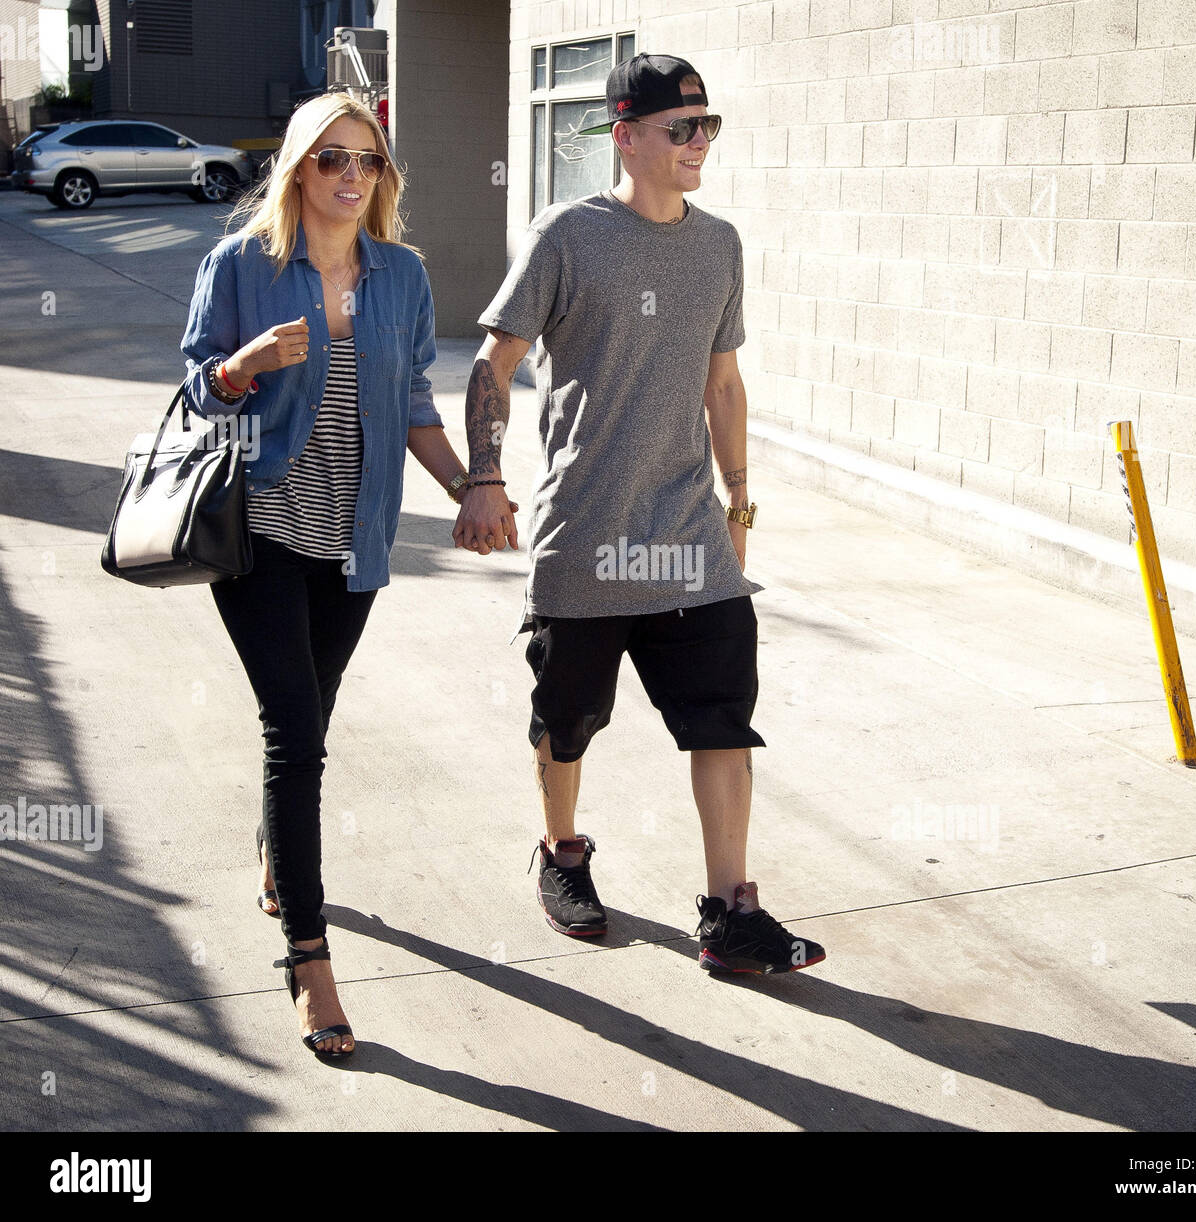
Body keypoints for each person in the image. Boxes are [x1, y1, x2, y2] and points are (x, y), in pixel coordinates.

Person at [455, 54, 826, 975]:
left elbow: (724, 380)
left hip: (690, 536)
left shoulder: (720, 245)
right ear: (626, 136)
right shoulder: (566, 238)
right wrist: (485, 477)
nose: (700, 143)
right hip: (587, 533)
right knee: (568, 717)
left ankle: (733, 910)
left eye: (708, 126)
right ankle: (563, 854)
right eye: (681, 128)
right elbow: (491, 364)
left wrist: (740, 498)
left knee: (723, 718)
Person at [181, 93, 474, 1055]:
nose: (354, 177)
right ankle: (309, 955)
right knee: (294, 728)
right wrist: (241, 367)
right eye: (334, 159)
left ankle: (279, 847)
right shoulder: (242, 267)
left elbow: (419, 400)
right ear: (299, 169)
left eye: (370, 162)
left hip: (358, 541)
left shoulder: (402, 276)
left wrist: (474, 488)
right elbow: (194, 386)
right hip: (259, 533)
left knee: (312, 717)